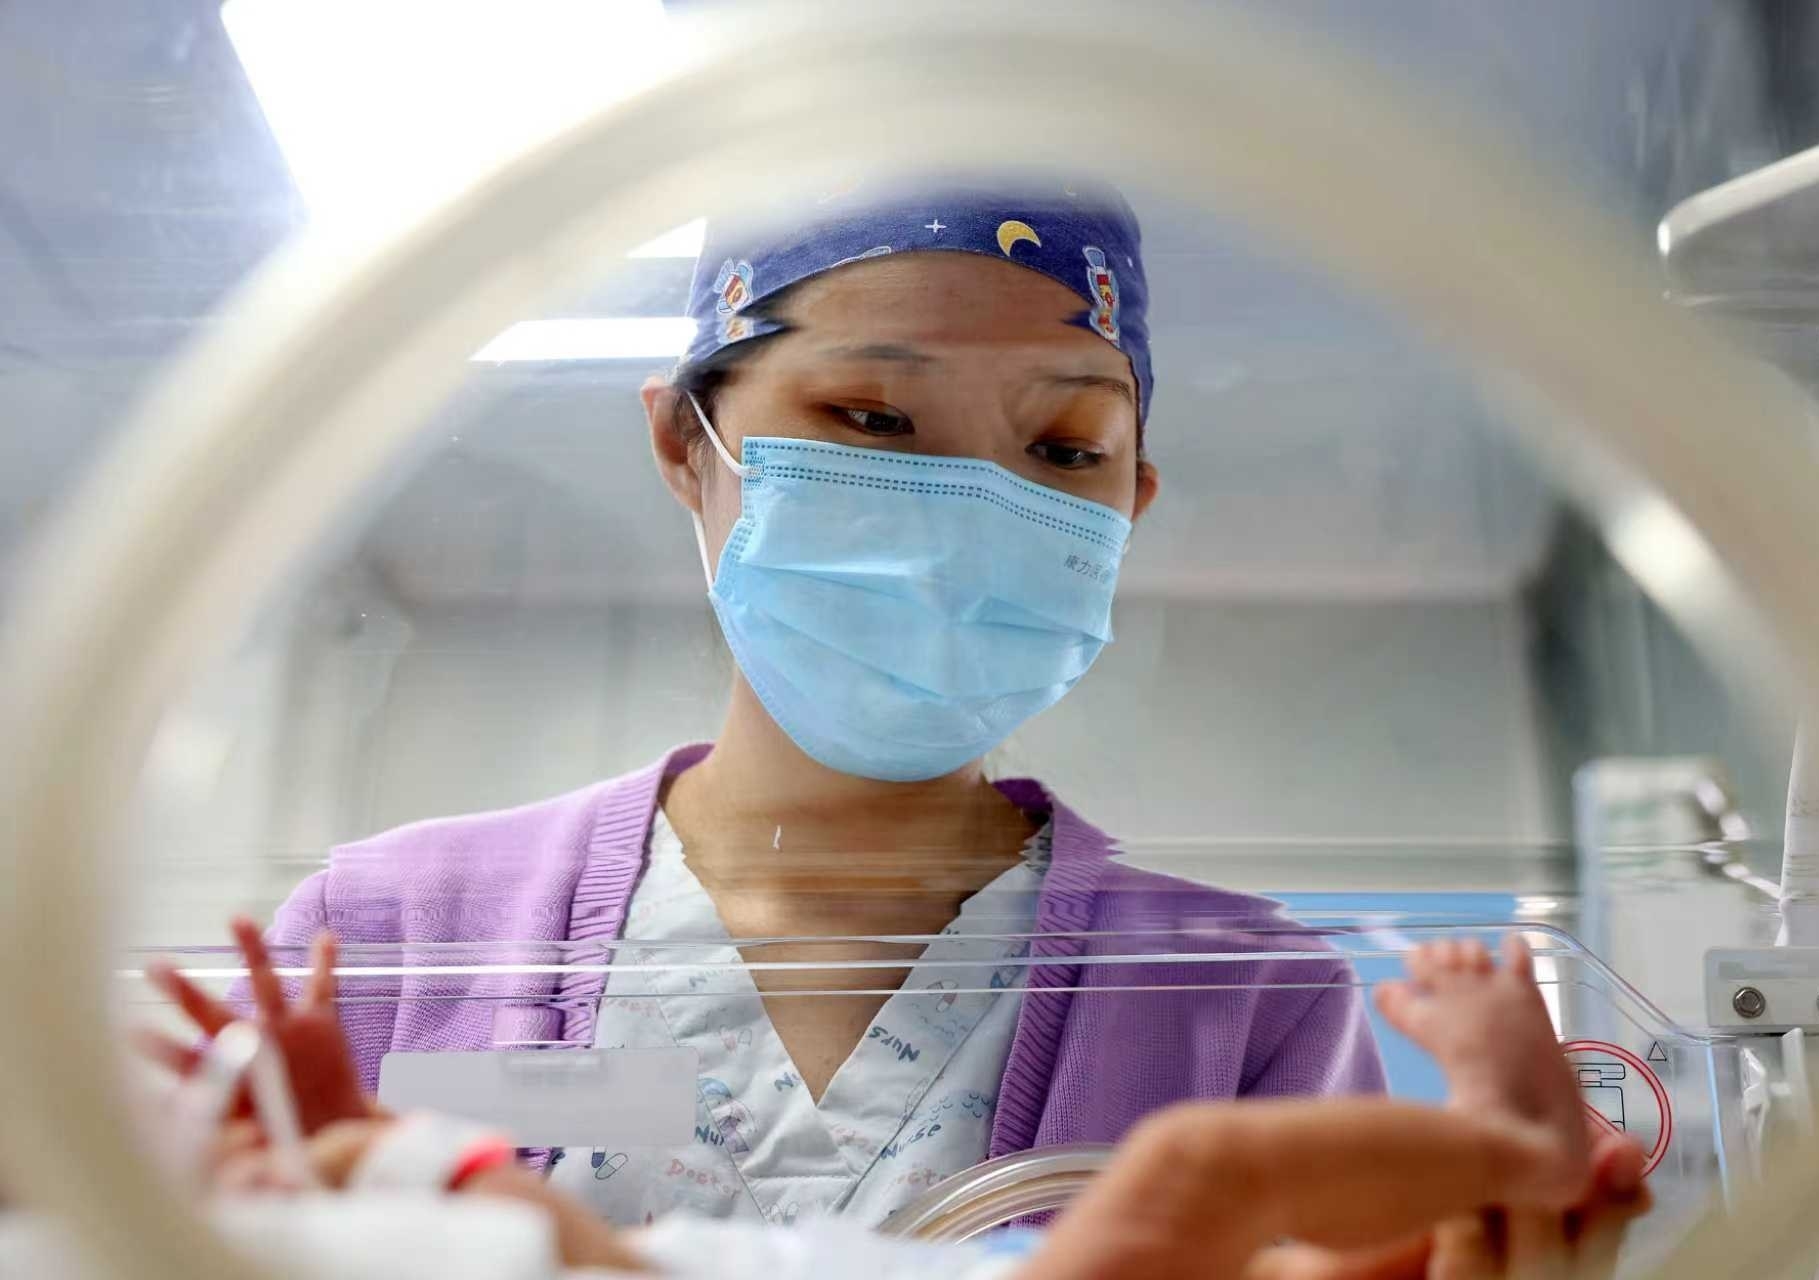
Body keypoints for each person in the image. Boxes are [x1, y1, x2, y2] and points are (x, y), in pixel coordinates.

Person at [246, 175, 1384, 1227]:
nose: (968, 514)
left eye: (1064, 445)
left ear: (1129, 502)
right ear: (682, 443)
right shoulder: (390, 939)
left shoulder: (1245, 999)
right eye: (873, 417)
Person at [158, 924, 1647, 1279]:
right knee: (1195, 1175)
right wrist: (387, 1155)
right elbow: (541, 1234)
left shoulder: (1227, 959)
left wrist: (349, 1129)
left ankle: (1504, 1175)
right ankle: (1513, 1144)